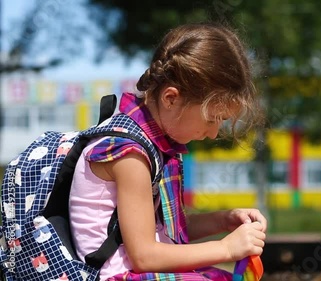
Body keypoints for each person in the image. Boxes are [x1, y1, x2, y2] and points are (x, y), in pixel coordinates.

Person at [69, 23, 267, 281]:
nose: (214, 132)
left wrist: (223, 221)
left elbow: (163, 231)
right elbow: (144, 256)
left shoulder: (151, 144)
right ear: (171, 98)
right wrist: (226, 248)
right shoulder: (130, 155)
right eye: (212, 119)